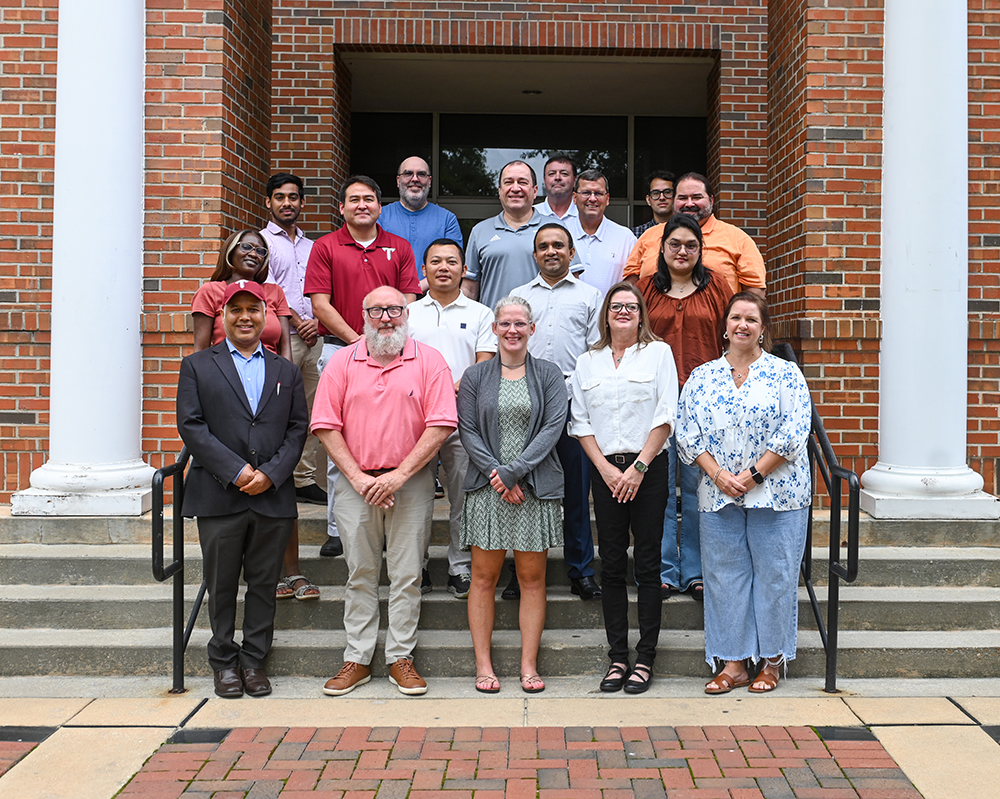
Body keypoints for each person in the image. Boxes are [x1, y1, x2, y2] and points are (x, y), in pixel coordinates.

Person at [312, 286, 456, 697]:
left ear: (407, 313)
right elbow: (325, 424)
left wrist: (398, 476)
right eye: (376, 310)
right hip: (355, 485)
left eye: (394, 309)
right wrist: (359, 479)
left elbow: (442, 423)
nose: (386, 318)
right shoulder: (342, 362)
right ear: (363, 315)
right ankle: (357, 657)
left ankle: (400, 658)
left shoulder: (429, 361)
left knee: (408, 574)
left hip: (411, 484)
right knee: (359, 573)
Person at [676, 292, 812, 695]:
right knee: (723, 577)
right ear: (725, 325)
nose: (742, 325)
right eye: (736, 317)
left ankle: (771, 661)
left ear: (762, 328)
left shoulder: (786, 374)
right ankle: (733, 663)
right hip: (718, 495)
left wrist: (753, 474)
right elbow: (687, 432)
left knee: (775, 576)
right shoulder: (703, 377)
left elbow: (794, 431)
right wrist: (718, 475)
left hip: (778, 494)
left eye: (751, 319)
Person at [177, 280, 308, 698]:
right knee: (222, 583)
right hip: (218, 495)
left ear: (266, 317)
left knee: (265, 583)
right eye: (236, 310)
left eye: (254, 309)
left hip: (272, 494)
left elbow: (297, 428)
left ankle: (254, 661)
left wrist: (269, 474)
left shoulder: (286, 370)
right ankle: (222, 662)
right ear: (223, 317)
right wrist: (236, 472)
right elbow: (192, 426)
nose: (246, 317)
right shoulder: (198, 365)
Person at [304, 175, 421, 559]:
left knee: (392, 440)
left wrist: (379, 339)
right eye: (353, 199)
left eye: (369, 199)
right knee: (342, 443)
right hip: (341, 351)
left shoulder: (399, 246)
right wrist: (359, 342)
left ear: (379, 206)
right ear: (342, 208)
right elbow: (320, 304)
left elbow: (407, 299)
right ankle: (339, 529)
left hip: (393, 354)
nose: (361, 205)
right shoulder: (325, 247)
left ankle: (391, 524)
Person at [570, 282, 678, 694]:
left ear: (641, 314)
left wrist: (637, 468)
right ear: (606, 313)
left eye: (631, 306)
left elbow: (667, 412)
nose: (623, 312)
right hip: (605, 470)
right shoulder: (588, 362)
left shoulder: (658, 353)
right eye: (616, 306)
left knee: (647, 563)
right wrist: (607, 470)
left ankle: (645, 657)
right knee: (612, 563)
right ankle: (618, 657)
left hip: (648, 467)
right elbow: (579, 422)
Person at [458, 296, 567, 695]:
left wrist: (513, 473)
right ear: (495, 329)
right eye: (505, 323)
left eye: (520, 323)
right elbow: (467, 429)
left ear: (532, 329)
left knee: (532, 578)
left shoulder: (550, 375)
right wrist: (497, 476)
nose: (513, 330)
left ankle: (527, 665)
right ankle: (483, 665)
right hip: (489, 489)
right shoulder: (475, 376)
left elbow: (552, 428)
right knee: (483, 578)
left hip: (533, 489)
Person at [637, 214, 733, 601]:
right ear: (662, 248)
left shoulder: (718, 289)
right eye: (674, 244)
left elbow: (734, 338)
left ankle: (694, 570)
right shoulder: (644, 290)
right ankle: (663, 568)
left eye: (690, 245)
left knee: (697, 489)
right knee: (658, 489)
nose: (682, 251)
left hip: (704, 404)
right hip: (653, 403)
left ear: (700, 250)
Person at [511, 223, 602, 601]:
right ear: (535, 254)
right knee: (525, 488)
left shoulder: (590, 296)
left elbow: (597, 354)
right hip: (526, 400)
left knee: (577, 490)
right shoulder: (518, 295)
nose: (551, 251)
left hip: (572, 400)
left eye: (559, 246)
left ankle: (580, 569)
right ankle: (520, 574)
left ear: (571, 253)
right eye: (543, 246)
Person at [408, 239, 496, 599]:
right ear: (423, 270)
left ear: (464, 269)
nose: (444, 267)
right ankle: (418, 566)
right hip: (416, 419)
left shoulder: (480, 313)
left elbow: (485, 362)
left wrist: (446, 389)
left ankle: (460, 567)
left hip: (464, 420)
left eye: (452, 261)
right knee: (416, 497)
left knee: (463, 496)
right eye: (435, 261)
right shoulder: (408, 313)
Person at [259, 173, 324, 603]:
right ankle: (287, 474)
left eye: (294, 198)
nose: (287, 203)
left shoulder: (311, 245)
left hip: (313, 336)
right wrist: (291, 322)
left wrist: (315, 320)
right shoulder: (261, 244)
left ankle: (302, 477)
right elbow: (262, 291)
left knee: (310, 410)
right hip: (280, 334)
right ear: (269, 203)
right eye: (280, 198)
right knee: (281, 410)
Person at [463, 160, 582, 310]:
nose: (515, 188)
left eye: (522, 182)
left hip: (545, 327)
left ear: (535, 190)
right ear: (499, 190)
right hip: (494, 328)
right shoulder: (480, 231)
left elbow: (572, 283)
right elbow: (469, 289)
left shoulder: (556, 229)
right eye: (508, 182)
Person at [624, 173, 766, 297]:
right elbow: (630, 285)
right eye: (683, 198)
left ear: (711, 200)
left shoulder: (738, 239)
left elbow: (754, 293)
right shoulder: (649, 236)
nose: (689, 204)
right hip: (654, 326)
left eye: (697, 197)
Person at [192, 230, 292, 360]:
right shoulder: (210, 291)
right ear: (231, 250)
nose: (253, 254)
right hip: (225, 373)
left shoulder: (275, 292)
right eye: (246, 247)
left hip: (270, 373)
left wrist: (288, 377)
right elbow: (201, 350)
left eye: (260, 251)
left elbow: (285, 349)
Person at [379, 156, 463, 292]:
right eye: (408, 174)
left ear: (429, 181)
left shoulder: (447, 219)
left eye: (421, 174)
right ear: (398, 180)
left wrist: (414, 290)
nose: (415, 179)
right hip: (389, 300)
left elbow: (452, 263)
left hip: (434, 301)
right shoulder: (380, 217)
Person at [566, 169, 637, 297]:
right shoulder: (561, 234)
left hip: (610, 315)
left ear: (607, 199)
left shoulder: (625, 238)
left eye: (598, 193)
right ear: (574, 198)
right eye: (586, 193)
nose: (592, 199)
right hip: (570, 315)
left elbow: (635, 278)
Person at [533, 154, 578, 221]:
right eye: (552, 174)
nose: (557, 178)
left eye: (564, 173)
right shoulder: (531, 214)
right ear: (544, 181)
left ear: (574, 180)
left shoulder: (585, 214)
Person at [633, 170, 675, 237]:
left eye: (667, 192)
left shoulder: (687, 231)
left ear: (675, 197)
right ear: (648, 200)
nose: (662, 197)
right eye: (655, 193)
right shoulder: (635, 234)